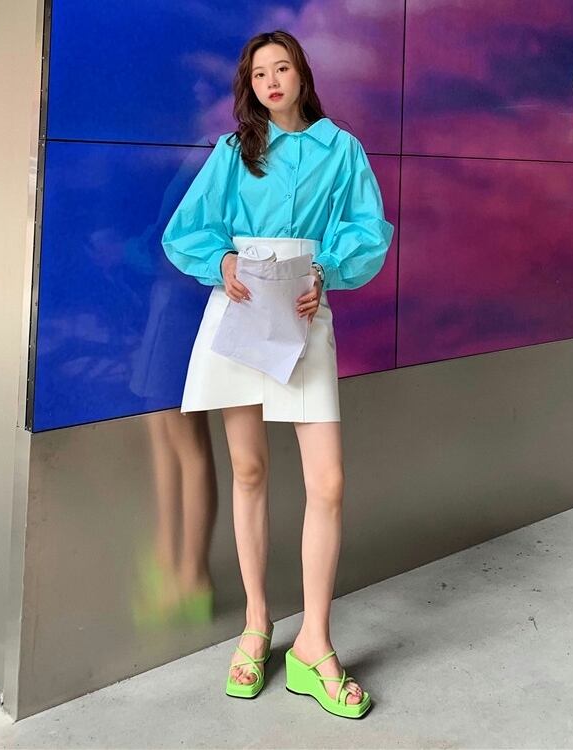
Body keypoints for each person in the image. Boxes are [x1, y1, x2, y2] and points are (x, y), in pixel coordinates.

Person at [161, 29, 394, 719]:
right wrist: (222, 261)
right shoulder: (234, 151)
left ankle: (314, 644)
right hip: (237, 312)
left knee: (329, 482)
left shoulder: (341, 149)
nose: (270, 80)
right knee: (249, 471)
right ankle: (256, 623)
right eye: (258, 72)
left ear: (301, 75)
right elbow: (188, 229)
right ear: (249, 84)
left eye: (281, 67)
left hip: (302, 311)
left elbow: (366, 230)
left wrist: (327, 271)